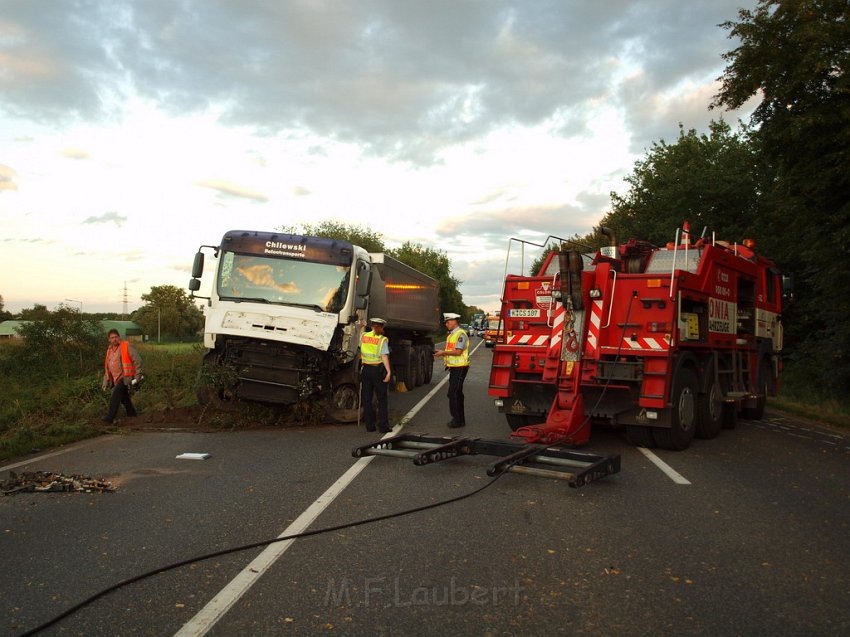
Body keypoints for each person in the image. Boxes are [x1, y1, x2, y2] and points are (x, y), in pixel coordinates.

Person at [434, 312, 469, 428]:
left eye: (448, 322)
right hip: (454, 368)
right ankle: (460, 419)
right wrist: (442, 352)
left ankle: (457, 420)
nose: (446, 325)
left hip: (460, 367)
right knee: (457, 393)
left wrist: (443, 352)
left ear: (454, 321)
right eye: (446, 323)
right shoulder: (450, 335)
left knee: (453, 393)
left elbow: (458, 352)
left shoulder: (460, 334)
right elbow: (451, 351)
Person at [101, 329, 143, 424]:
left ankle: (110, 417)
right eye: (112, 338)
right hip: (115, 380)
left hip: (126, 378)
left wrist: (138, 375)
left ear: (119, 337)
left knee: (115, 395)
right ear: (109, 339)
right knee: (125, 399)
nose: (114, 339)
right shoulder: (109, 351)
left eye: (116, 337)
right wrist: (105, 382)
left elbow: (138, 361)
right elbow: (107, 368)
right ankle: (133, 416)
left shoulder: (126, 346)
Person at [359, 318, 392, 433]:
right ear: (382, 327)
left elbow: (360, 347)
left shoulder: (364, 336)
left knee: (367, 398)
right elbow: (384, 356)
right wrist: (388, 372)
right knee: (382, 398)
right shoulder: (382, 339)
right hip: (377, 371)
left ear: (372, 326)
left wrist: (362, 325)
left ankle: (370, 426)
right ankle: (383, 426)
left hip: (365, 370)